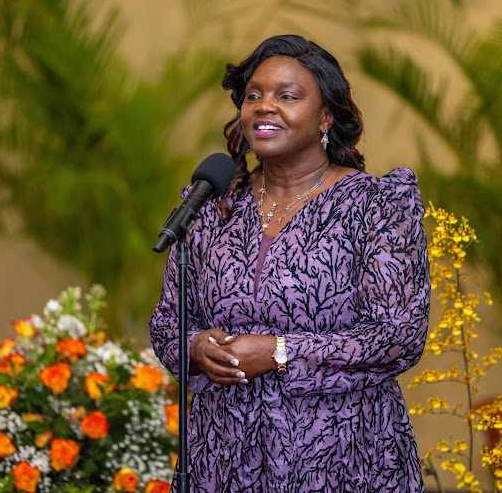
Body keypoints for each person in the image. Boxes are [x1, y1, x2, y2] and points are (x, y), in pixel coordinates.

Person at [150, 34, 430, 492]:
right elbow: (167, 324)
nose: (264, 106)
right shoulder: (212, 205)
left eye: (287, 96)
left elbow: (398, 337)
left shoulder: (376, 205)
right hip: (224, 457)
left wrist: (280, 352)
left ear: (326, 116)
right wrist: (196, 346)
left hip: (342, 457)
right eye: (254, 96)